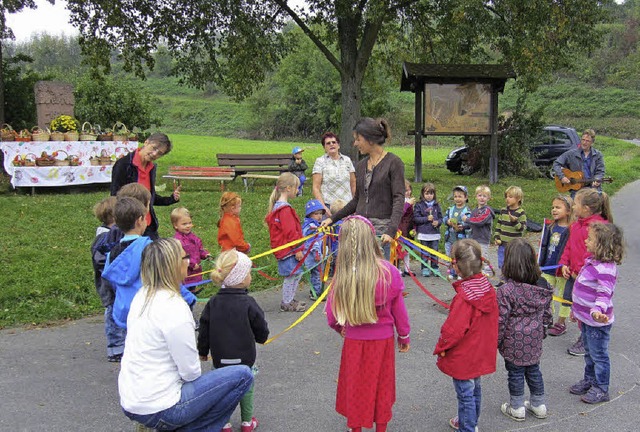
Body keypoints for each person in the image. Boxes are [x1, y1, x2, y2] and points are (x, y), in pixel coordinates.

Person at [119, 238, 254, 431]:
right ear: (174, 266)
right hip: (162, 406)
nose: (190, 262)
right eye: (186, 257)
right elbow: (191, 372)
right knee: (243, 375)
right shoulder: (175, 308)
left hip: (132, 399)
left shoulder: (142, 295)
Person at [326, 215, 411, 432]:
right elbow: (399, 311)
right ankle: (381, 427)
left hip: (354, 341)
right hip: (382, 342)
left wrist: (341, 328)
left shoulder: (342, 276)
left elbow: (331, 315)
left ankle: (356, 428)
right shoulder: (388, 272)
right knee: (381, 386)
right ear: (371, 239)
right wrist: (404, 336)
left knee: (356, 387)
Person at [198, 250, 269, 432]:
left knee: (223, 389)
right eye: (248, 273)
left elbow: (204, 328)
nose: (250, 277)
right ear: (241, 278)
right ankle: (247, 422)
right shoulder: (248, 302)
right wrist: (262, 338)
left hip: (220, 358)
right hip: (245, 358)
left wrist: (203, 351)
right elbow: (260, 325)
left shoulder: (213, 303)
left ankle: (224, 423)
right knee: (247, 387)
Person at [433, 239, 498, 432]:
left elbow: (453, 330)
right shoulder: (488, 289)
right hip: (481, 351)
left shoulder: (464, 297)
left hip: (465, 355)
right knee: (474, 388)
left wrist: (441, 346)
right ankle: (470, 421)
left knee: (465, 394)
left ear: (458, 268)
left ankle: (467, 427)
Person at [321, 118, 406, 260]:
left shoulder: (394, 162)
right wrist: (332, 219)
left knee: (380, 276)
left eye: (358, 139)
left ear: (370, 140)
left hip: (382, 231)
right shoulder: (360, 165)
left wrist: (391, 231)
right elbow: (356, 200)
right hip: (361, 229)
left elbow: (399, 198)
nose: (355, 144)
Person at [497, 239, 553, 422]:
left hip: (513, 341)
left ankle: (517, 407)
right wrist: (543, 330)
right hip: (534, 340)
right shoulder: (542, 287)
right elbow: (547, 315)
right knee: (534, 370)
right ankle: (539, 405)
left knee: (515, 373)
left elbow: (501, 320)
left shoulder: (506, 291)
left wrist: (495, 341)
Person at [569, 222, 624, 404]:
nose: (586, 241)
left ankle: (601, 388)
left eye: (590, 239)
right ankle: (590, 380)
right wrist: (576, 310)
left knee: (598, 355)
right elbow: (581, 289)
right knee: (589, 353)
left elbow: (604, 295)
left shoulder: (606, 270)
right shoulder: (592, 261)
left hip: (597, 322)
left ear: (602, 245)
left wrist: (598, 311)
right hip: (586, 319)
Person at [559, 188, 612, 356]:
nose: (573, 207)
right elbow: (568, 246)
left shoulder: (597, 229)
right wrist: (564, 264)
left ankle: (587, 338)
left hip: (589, 278)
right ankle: (585, 334)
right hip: (574, 274)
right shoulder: (575, 225)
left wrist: (582, 273)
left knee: (589, 306)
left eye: (575, 204)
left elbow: (595, 256)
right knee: (577, 305)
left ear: (586, 208)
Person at [110, 132, 181, 239]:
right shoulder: (124, 165)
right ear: (146, 142)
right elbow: (115, 197)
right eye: (154, 148)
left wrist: (171, 199)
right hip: (130, 225)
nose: (154, 154)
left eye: (160, 153)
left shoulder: (151, 168)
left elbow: (148, 197)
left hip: (148, 225)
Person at [265, 172, 307, 312]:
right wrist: (297, 249)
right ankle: (286, 302)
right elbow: (290, 232)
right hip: (288, 251)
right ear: (288, 188)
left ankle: (290, 298)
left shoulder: (279, 207)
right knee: (292, 275)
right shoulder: (284, 210)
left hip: (285, 249)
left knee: (296, 274)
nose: (298, 191)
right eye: (297, 188)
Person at [90, 196, 121, 362]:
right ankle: (115, 347)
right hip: (108, 284)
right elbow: (101, 262)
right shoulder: (104, 238)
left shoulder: (113, 235)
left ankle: (121, 343)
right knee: (112, 313)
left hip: (115, 283)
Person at [538, 195, 573, 336]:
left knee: (565, 296)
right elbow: (543, 246)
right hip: (547, 267)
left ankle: (561, 322)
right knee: (545, 293)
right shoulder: (550, 226)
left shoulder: (571, 230)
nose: (554, 210)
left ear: (569, 211)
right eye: (553, 207)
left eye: (558, 207)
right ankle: (548, 317)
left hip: (562, 271)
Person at [312, 132, 356, 215]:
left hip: (347, 206)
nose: (331, 144)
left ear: (338, 145)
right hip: (329, 207)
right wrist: (323, 207)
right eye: (328, 143)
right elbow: (316, 187)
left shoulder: (347, 160)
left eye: (334, 142)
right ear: (324, 147)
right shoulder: (320, 161)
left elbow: (353, 184)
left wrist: (355, 204)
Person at [553, 129, 606, 197]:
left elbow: (600, 171)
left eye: (587, 141)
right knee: (576, 206)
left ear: (592, 142)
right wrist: (562, 177)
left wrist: (597, 179)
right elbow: (556, 163)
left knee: (597, 204)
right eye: (583, 140)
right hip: (576, 189)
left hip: (593, 189)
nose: (584, 143)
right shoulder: (571, 154)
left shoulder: (598, 155)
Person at [171, 207, 211, 287]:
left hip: (195, 270)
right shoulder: (177, 240)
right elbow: (181, 256)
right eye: (184, 224)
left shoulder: (193, 237)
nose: (188, 226)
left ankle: (193, 292)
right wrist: (192, 263)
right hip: (186, 272)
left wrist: (205, 254)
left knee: (193, 285)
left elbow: (199, 249)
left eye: (190, 223)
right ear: (175, 225)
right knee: (186, 286)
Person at [413, 182, 443, 277]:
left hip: (434, 233)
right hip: (424, 233)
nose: (429, 196)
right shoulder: (419, 205)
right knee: (424, 252)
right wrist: (426, 219)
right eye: (427, 193)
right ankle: (425, 267)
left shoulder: (436, 205)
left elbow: (441, 218)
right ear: (423, 194)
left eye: (431, 193)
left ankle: (434, 267)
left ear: (434, 194)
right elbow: (416, 219)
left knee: (434, 252)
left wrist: (437, 222)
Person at [462, 185, 494, 274]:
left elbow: (480, 221)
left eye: (484, 196)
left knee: (483, 259)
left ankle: (485, 277)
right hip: (474, 238)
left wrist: (467, 219)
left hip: (483, 239)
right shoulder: (475, 210)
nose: (482, 198)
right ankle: (477, 276)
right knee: (475, 258)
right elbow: (472, 224)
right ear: (476, 197)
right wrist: (463, 226)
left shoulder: (487, 211)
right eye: (480, 195)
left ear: (488, 198)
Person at [494, 186, 527, 269]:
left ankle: (512, 280)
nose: (507, 199)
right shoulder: (503, 211)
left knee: (513, 265)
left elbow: (522, 228)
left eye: (510, 197)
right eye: (506, 197)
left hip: (514, 246)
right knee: (502, 264)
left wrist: (514, 222)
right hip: (502, 244)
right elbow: (498, 225)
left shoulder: (521, 212)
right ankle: (504, 280)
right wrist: (497, 237)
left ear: (518, 198)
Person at [443, 185, 471, 279]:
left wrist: (462, 226)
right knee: (450, 254)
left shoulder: (466, 210)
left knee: (460, 255)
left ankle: (460, 272)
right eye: (455, 196)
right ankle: (452, 271)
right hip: (450, 237)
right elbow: (445, 218)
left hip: (460, 238)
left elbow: (469, 223)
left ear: (465, 197)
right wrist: (447, 221)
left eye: (460, 196)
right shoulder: (450, 209)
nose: (457, 199)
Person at [302, 199, 326, 300]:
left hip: (318, 253)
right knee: (316, 273)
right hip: (313, 255)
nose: (319, 216)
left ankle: (317, 290)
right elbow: (312, 241)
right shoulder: (311, 227)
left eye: (320, 213)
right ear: (309, 215)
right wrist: (316, 253)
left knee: (318, 272)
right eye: (316, 214)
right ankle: (315, 292)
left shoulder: (316, 225)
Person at [397, 179, 416, 276]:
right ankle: (397, 268)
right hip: (400, 229)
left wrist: (414, 228)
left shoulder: (411, 201)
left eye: (409, 190)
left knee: (407, 249)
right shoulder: (399, 202)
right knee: (399, 249)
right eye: (405, 190)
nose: (408, 192)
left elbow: (413, 216)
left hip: (408, 228)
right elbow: (400, 214)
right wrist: (408, 204)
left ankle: (407, 268)